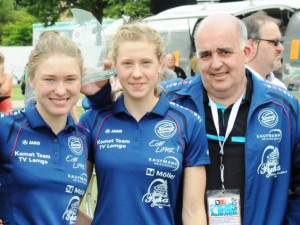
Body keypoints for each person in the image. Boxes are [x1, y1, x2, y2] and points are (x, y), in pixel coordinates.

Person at [84, 13, 300, 225]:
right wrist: (98, 97)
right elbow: (124, 102)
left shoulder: (284, 107)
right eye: (206, 55)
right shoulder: (173, 98)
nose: (216, 64)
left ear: (246, 51)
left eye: (225, 52)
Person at [79, 23, 210, 225]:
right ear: (114, 65)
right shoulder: (92, 120)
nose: (137, 73)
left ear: (160, 63)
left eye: (146, 63)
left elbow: (193, 212)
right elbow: (68, 201)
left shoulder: (188, 122)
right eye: (127, 63)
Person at [0, 33, 92, 225]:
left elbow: (68, 211)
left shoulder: (83, 138)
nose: (60, 90)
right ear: (31, 80)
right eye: (49, 79)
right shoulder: (6, 128)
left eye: (70, 79)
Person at [242, 11, 286, 88]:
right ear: (251, 45)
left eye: (281, 42)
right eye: (275, 42)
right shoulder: (235, 87)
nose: (281, 48)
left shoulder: (279, 86)